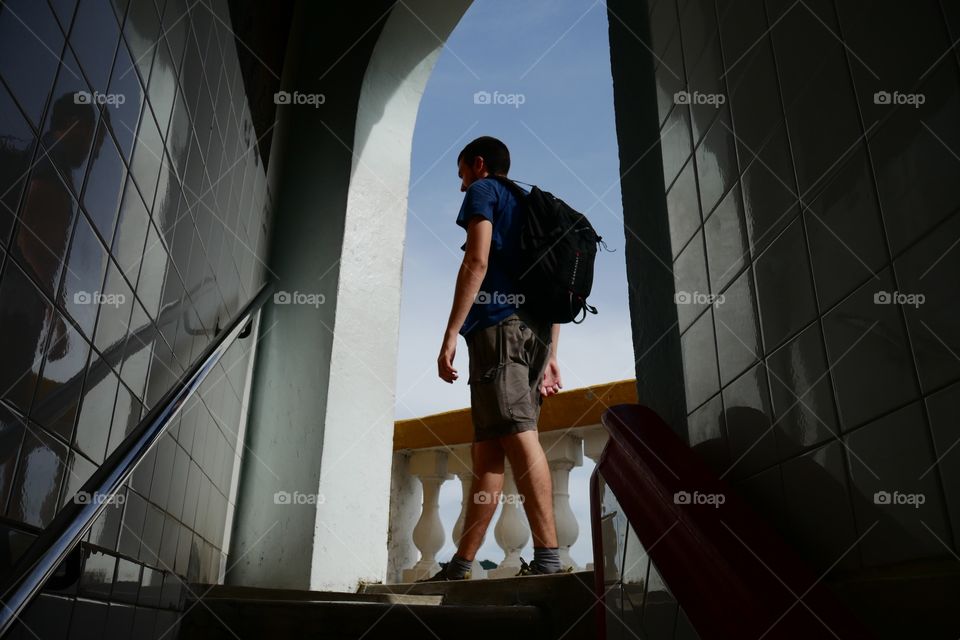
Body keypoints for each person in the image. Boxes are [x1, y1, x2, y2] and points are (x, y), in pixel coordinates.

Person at [424, 136, 568, 581]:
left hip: (498, 330)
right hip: (534, 333)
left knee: (519, 435)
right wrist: (551, 354)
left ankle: (547, 560)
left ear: (480, 165)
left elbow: (477, 261)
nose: (462, 183)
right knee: (489, 448)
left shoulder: (485, 192)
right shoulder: (531, 204)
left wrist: (450, 333)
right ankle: (462, 563)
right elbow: (554, 284)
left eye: (462, 173)